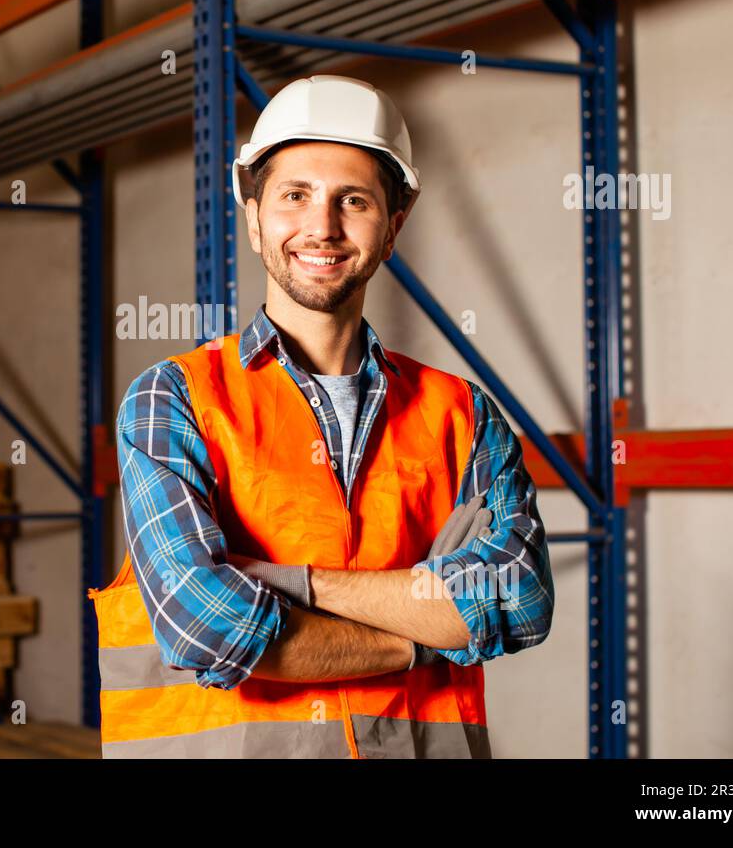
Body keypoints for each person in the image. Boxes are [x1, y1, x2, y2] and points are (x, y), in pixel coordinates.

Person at [90, 74, 554, 758]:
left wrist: (287, 585)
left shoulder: (462, 413)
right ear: (254, 221)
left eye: (354, 200)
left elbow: (519, 600)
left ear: (393, 226)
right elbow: (207, 628)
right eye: (295, 196)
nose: (323, 226)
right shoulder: (174, 399)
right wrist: (426, 632)